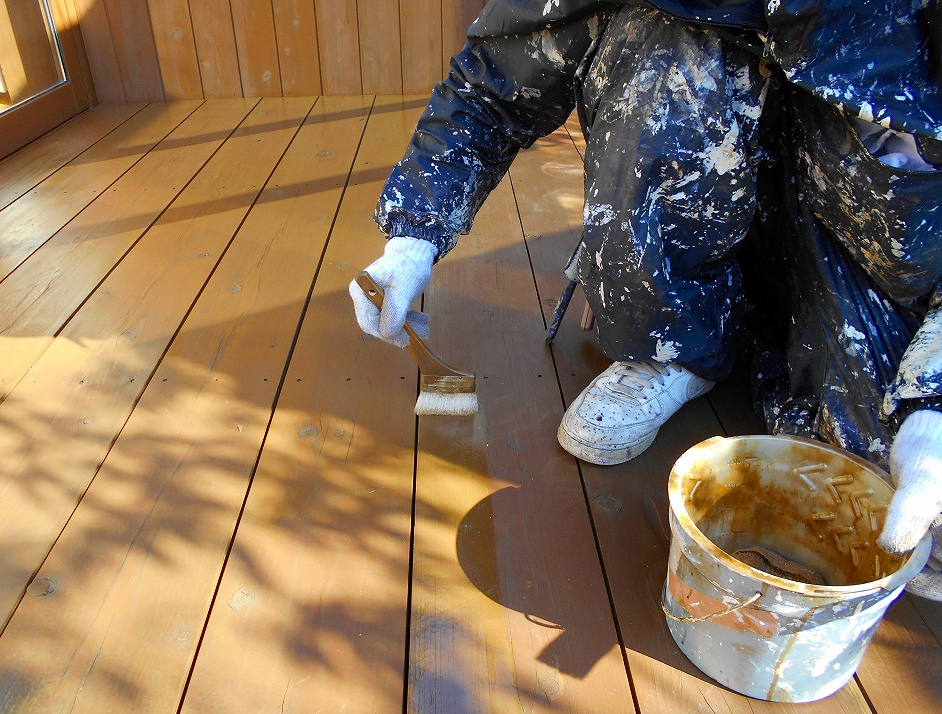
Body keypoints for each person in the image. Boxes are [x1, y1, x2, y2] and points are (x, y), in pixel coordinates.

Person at [349, 1, 942, 600]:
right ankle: (671, 335)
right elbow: (494, 81)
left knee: (904, 517)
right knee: (660, 48)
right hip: (693, 208)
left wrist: (933, 403)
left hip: (854, 240)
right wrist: (414, 235)